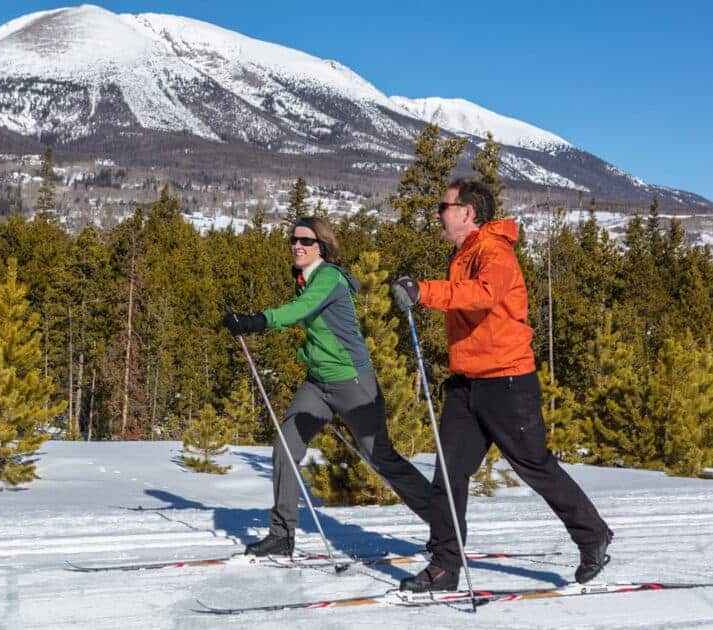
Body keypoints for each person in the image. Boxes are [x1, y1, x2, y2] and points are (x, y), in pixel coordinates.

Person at [390, 179, 613, 592]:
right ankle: (444, 565)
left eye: (444, 206)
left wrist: (424, 291)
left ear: (467, 212)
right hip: (467, 382)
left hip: (507, 381)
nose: (438, 213)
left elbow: (483, 294)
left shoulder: (493, 251)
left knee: (534, 467)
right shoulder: (464, 253)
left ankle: (592, 535)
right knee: (449, 473)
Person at [222, 216, 431, 556]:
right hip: (318, 383)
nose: (296, 245)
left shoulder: (329, 278)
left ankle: (444, 525)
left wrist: (256, 320)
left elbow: (299, 310)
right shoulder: (305, 279)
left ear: (322, 246)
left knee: (381, 458)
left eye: (305, 241)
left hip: (351, 381)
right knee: (286, 445)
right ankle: (281, 535)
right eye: (293, 240)